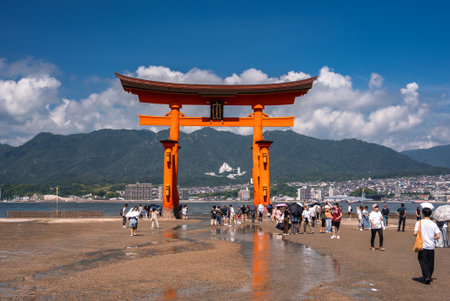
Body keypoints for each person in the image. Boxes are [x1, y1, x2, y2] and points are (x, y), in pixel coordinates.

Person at [414, 208, 441, 284]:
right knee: (430, 262)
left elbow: (415, 233)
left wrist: (420, 234)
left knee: (422, 260)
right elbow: (438, 236)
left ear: (422, 214)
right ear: (430, 214)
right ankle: (429, 275)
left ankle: (426, 276)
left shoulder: (419, 222)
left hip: (422, 245)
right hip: (431, 245)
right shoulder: (433, 224)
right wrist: (432, 237)